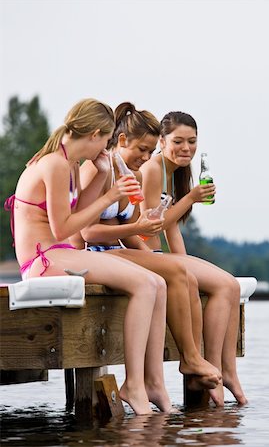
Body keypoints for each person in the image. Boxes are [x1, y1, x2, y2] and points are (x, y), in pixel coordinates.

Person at [3, 98, 173, 415]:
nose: (106, 150)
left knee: (157, 283)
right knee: (146, 285)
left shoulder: (66, 164)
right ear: (95, 134)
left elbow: (79, 212)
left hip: (60, 254)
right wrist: (111, 194)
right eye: (106, 142)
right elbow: (65, 227)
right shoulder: (54, 164)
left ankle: (152, 382)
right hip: (44, 260)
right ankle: (133, 385)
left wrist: (101, 175)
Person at [79, 102, 222, 392]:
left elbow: (134, 230)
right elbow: (86, 232)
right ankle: (187, 360)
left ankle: (183, 365)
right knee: (173, 273)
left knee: (178, 270)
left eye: (148, 151)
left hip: (116, 252)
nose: (146, 157)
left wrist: (152, 255)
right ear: (121, 141)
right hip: (90, 254)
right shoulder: (97, 171)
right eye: (142, 150)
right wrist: (141, 232)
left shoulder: (135, 174)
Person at [140, 111, 248, 406]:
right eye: (178, 141)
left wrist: (185, 265)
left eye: (192, 141)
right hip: (145, 254)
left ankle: (224, 370)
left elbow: (173, 228)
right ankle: (208, 367)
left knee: (230, 286)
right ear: (161, 141)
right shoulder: (151, 169)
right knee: (222, 284)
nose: (186, 148)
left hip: (163, 256)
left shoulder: (174, 172)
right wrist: (191, 199)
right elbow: (154, 224)